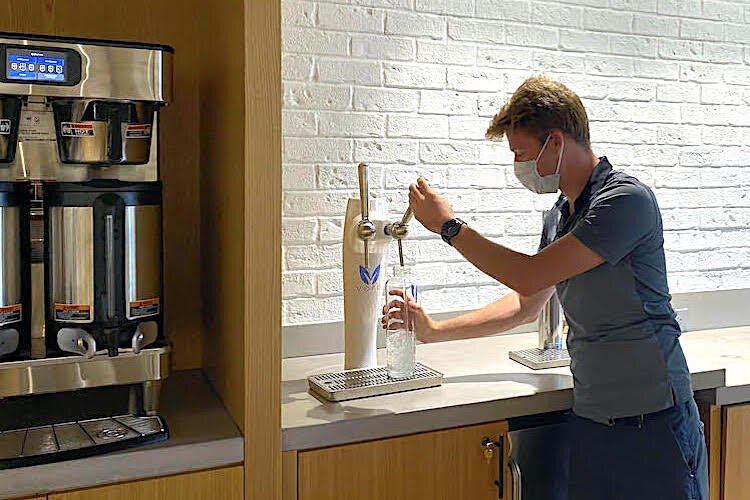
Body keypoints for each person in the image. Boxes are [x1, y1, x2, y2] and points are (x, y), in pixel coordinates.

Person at [382, 76, 708, 500]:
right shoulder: (561, 215)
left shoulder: (625, 201)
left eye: (521, 153)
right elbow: (526, 304)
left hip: (654, 420)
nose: (520, 167)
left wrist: (449, 227)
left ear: (555, 141)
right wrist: (435, 332)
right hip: (595, 420)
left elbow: (529, 274)